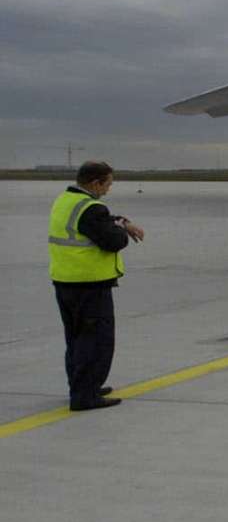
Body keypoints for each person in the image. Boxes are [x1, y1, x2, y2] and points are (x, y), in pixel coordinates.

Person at [48, 161, 144, 411]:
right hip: (88, 285)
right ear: (95, 183)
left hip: (66, 282)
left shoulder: (66, 200)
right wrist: (123, 232)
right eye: (108, 184)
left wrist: (120, 221)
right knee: (95, 341)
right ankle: (85, 397)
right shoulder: (91, 209)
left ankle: (82, 385)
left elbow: (100, 221)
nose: (109, 189)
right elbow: (112, 241)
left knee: (77, 339)